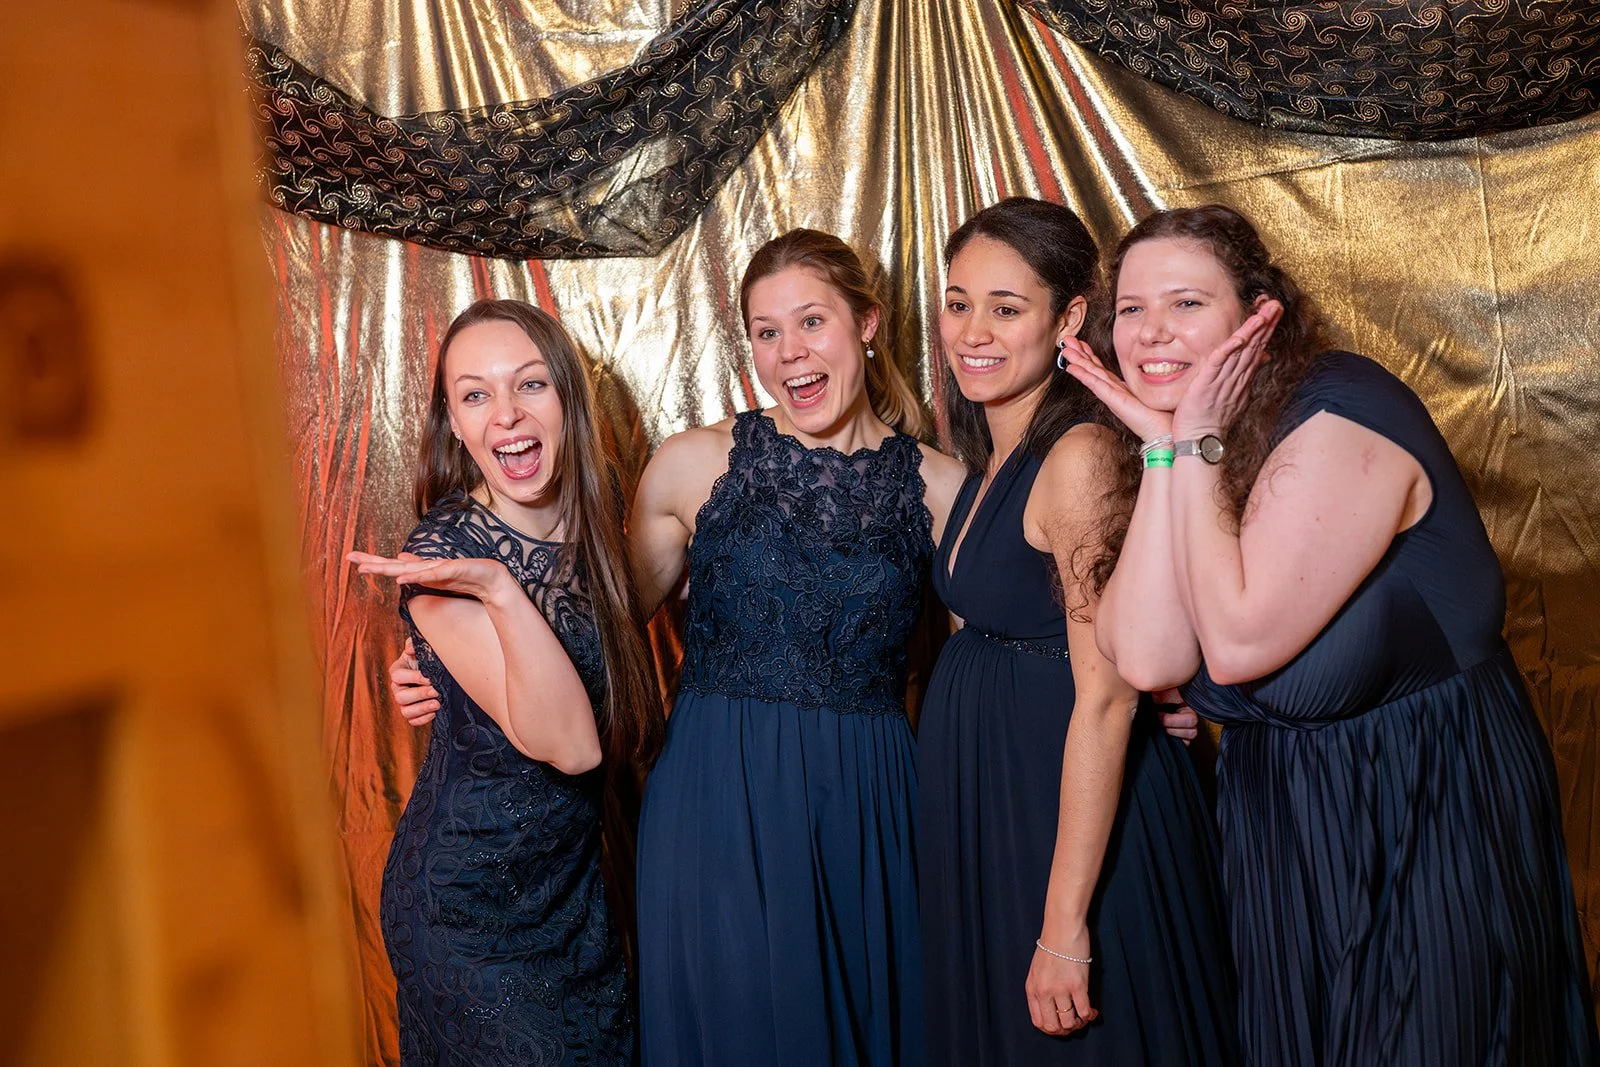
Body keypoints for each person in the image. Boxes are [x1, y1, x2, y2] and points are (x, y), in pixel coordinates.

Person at [1066, 204, 1598, 1066]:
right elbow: (1149, 654)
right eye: (1130, 308)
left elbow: (1235, 644)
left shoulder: (1342, 408)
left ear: (1260, 315)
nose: (1150, 331)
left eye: (1186, 303)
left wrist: (1190, 441)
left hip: (1429, 807)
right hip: (1282, 823)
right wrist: (1164, 449)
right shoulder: (1197, 439)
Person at [627, 228, 965, 1066]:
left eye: (812, 321)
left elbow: (992, 661)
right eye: (767, 332)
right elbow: (596, 630)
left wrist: (1141, 696)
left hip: (871, 806)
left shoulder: (943, 488)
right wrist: (454, 664)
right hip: (718, 804)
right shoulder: (691, 466)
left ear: (867, 323)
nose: (790, 352)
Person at [919, 197, 1237, 1065]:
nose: (972, 332)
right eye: (958, 303)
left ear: (1068, 320)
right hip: (998, 802)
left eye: (1006, 308)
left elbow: (1106, 697)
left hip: (1066, 818)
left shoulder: (1079, 457)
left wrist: (1064, 923)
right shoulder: (991, 455)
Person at [350, 299, 663, 1066]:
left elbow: (615, 633)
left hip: (573, 897)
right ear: (455, 424)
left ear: (566, 395)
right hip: (465, 913)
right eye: (475, 394)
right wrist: (497, 587)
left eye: (529, 383)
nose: (507, 414)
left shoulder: (595, 511)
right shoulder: (442, 557)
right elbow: (572, 746)